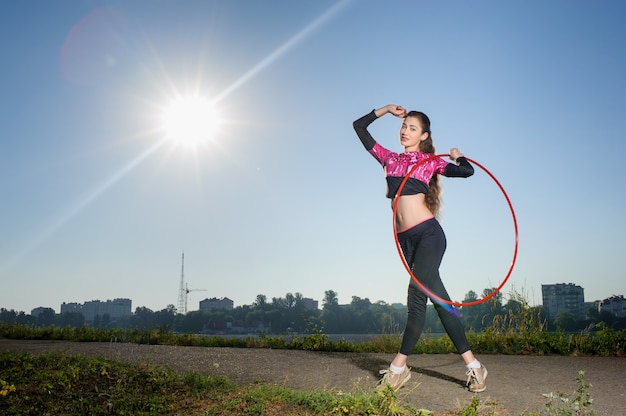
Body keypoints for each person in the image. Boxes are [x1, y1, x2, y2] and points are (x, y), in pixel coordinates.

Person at [352, 104, 488, 393]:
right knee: (442, 304)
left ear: (423, 135)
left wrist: (456, 155)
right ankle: (474, 366)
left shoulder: (429, 162)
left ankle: (398, 369)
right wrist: (385, 110)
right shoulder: (388, 158)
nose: (405, 131)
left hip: (429, 236)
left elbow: (467, 171)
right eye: (403, 126)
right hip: (407, 240)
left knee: (416, 296)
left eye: (412, 128)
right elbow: (358, 127)